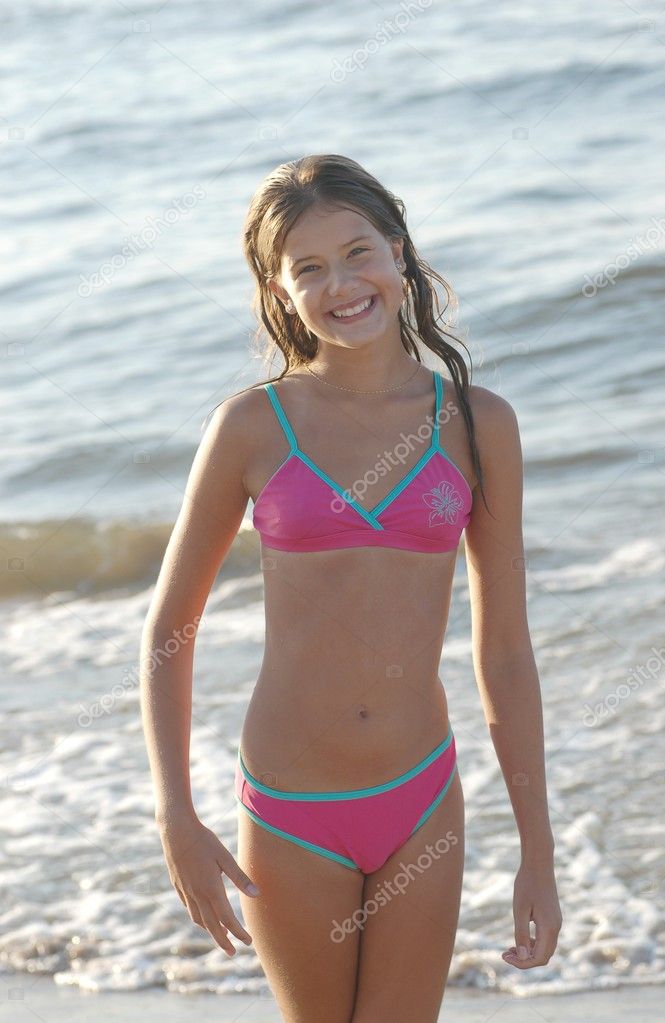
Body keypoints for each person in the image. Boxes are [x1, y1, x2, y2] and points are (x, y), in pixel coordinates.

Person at [140, 153, 562, 1022]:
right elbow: (167, 628)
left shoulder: (480, 425)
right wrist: (175, 814)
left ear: (399, 252)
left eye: (358, 251)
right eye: (309, 268)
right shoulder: (253, 427)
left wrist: (538, 851)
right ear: (277, 289)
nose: (342, 283)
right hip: (293, 808)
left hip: (420, 795)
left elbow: (506, 650)